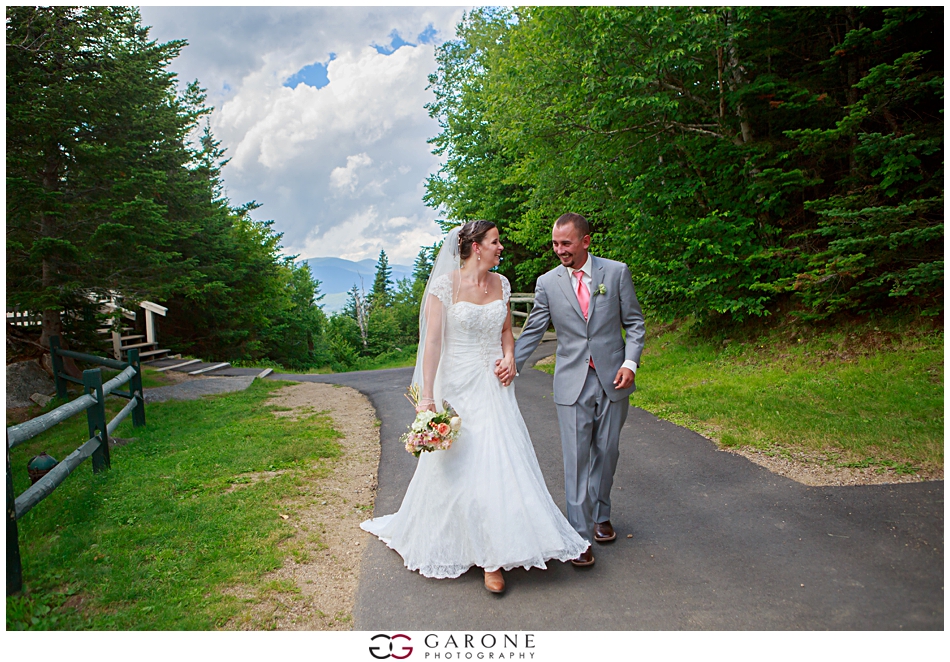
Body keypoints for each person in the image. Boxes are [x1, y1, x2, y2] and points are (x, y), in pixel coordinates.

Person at [360, 221, 588, 594]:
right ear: (476, 247)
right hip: (458, 386)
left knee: (499, 463)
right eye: (496, 241)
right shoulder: (445, 285)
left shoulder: (502, 284)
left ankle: (497, 552)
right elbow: (432, 344)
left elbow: (504, 332)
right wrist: (427, 399)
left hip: (494, 386)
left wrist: (511, 357)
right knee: (461, 466)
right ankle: (473, 550)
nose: (502, 247)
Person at [499, 213, 645, 567]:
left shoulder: (616, 272)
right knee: (576, 459)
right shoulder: (548, 282)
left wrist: (630, 363)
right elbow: (533, 329)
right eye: (555, 244)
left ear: (585, 241)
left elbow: (634, 323)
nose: (559, 250)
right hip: (570, 381)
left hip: (613, 377)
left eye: (566, 243)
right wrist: (510, 362)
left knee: (607, 452)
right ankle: (579, 537)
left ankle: (601, 513)